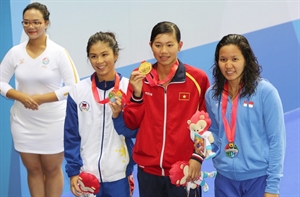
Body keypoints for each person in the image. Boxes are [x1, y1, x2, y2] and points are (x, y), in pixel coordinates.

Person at [0, 2, 79, 197]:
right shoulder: (15, 53)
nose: (31, 27)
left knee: (52, 171)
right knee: (33, 170)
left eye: (36, 22)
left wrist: (42, 99)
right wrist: (20, 96)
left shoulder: (58, 52)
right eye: (26, 22)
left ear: (46, 23)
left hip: (53, 123)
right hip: (23, 122)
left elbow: (73, 87)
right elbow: (1, 81)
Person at [123, 21, 210, 197]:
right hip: (148, 171)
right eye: (158, 45)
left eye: (170, 45)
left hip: (184, 169)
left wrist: (197, 157)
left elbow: (205, 125)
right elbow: (131, 123)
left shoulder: (197, 79)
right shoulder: (140, 78)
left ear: (180, 45)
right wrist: (137, 95)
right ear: (150, 46)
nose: (164, 51)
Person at [205, 34, 286, 197]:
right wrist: (205, 143)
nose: (228, 65)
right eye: (223, 59)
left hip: (258, 179)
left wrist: (272, 187)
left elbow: (277, 140)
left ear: (246, 60)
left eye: (235, 59)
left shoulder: (265, 92)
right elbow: (214, 131)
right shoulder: (212, 95)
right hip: (224, 179)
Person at [64, 31, 137, 197]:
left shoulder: (128, 88)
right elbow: (71, 135)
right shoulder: (78, 91)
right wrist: (74, 171)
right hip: (87, 175)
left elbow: (134, 131)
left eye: (105, 54)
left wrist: (119, 116)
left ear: (116, 55)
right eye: (93, 56)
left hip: (118, 174)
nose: (99, 61)